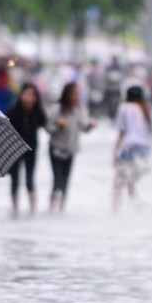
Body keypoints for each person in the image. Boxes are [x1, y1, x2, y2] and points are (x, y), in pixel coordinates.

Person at [46, 82, 96, 212]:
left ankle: (62, 208)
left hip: (71, 149)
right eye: (74, 93)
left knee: (66, 179)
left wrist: (91, 124)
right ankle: (52, 207)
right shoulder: (57, 109)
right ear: (67, 94)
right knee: (57, 178)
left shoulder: (80, 109)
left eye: (78, 94)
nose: (76, 96)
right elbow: (48, 128)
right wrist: (58, 124)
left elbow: (84, 127)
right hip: (56, 148)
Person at [6, 82, 47, 216]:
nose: (30, 97)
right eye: (27, 94)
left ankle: (32, 211)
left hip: (31, 149)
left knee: (30, 178)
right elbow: (6, 127)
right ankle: (14, 209)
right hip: (15, 149)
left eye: (33, 95)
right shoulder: (14, 111)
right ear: (21, 95)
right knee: (15, 179)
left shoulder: (38, 111)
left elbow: (45, 124)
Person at [113, 85, 152, 211]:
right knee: (130, 180)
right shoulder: (146, 109)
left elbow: (122, 132)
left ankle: (116, 209)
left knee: (119, 179)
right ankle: (138, 207)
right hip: (145, 147)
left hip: (129, 145)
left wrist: (115, 152)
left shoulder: (124, 107)